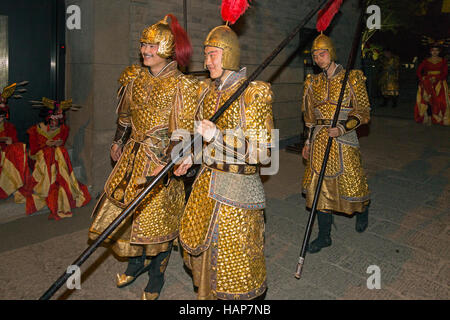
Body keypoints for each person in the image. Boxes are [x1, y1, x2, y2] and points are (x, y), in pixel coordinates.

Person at [88, 14, 199, 300]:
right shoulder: (134, 80)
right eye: (143, 46)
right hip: (132, 158)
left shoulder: (181, 86)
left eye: (152, 46)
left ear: (167, 49)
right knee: (130, 216)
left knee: (158, 221)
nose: (145, 51)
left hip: (161, 162)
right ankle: (135, 264)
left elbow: (183, 131)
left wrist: (173, 160)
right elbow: (125, 117)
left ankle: (156, 276)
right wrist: (118, 141)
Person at [175, 23, 274, 300]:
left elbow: (263, 153)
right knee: (206, 256)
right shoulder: (206, 92)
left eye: (213, 54)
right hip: (207, 185)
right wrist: (189, 157)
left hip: (238, 190)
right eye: (205, 55)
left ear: (228, 54)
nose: (206, 62)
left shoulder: (252, 94)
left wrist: (218, 135)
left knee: (236, 264)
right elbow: (199, 139)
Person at [301, 33, 371, 254]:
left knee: (353, 182)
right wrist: (308, 141)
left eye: (322, 53)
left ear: (331, 53)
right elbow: (310, 118)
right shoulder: (313, 82)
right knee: (319, 187)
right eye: (315, 54)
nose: (318, 57)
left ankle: (363, 210)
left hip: (344, 137)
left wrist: (343, 127)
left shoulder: (352, 78)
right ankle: (324, 236)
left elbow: (364, 112)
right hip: (321, 138)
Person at [15, 98, 91, 219]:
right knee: (50, 153)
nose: (55, 124)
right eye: (52, 120)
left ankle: (61, 180)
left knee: (61, 151)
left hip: (56, 158)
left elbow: (61, 144)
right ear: (47, 118)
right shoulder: (35, 130)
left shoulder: (64, 129)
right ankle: (47, 184)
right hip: (40, 159)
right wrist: (46, 144)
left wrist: (57, 143)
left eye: (57, 121)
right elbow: (33, 151)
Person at [0, 83, 29, 199]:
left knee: (17, 149)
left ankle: (13, 183)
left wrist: (10, 142)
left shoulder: (9, 127)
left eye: (2, 116)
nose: (1, 119)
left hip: (6, 152)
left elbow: (14, 141)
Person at [414, 44, 450, 125]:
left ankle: (439, 117)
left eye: (436, 50)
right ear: (430, 52)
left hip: (440, 83)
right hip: (428, 82)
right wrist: (423, 78)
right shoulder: (426, 61)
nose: (434, 52)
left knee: (440, 101)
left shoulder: (443, 61)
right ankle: (429, 117)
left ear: (439, 52)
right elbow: (419, 71)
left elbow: (445, 73)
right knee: (428, 100)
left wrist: (437, 78)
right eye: (433, 50)